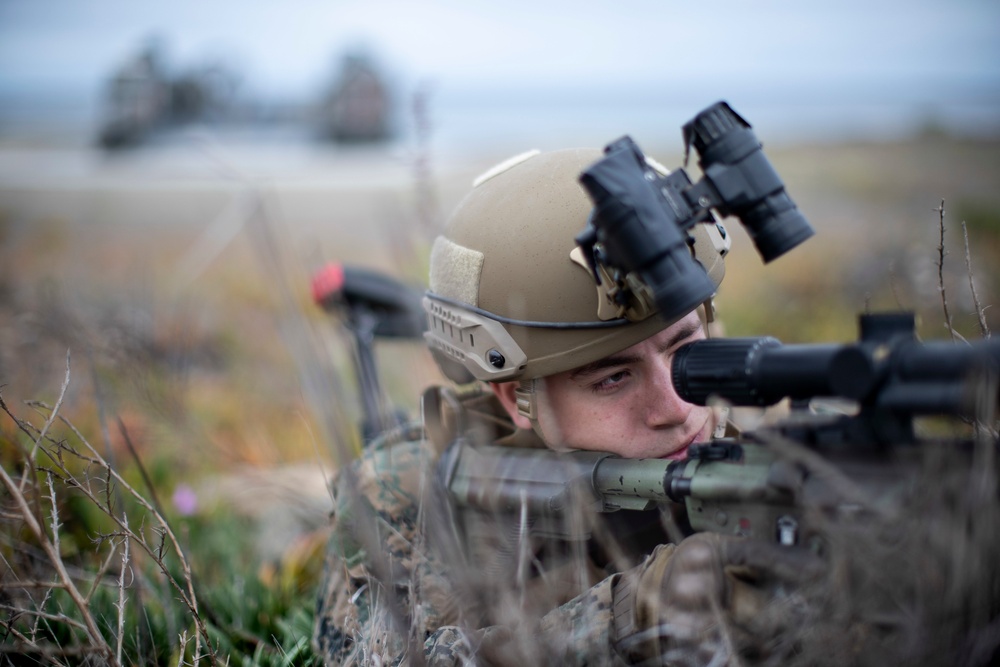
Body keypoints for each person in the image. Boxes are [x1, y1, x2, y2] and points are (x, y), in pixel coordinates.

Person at [313, 147, 815, 665]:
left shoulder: (780, 457)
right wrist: (631, 615)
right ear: (517, 398)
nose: (675, 407)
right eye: (614, 378)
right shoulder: (408, 489)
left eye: (684, 350)